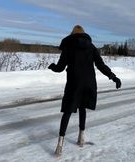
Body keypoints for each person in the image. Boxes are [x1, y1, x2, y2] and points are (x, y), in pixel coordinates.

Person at [48, 25, 121, 156]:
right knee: (82, 108)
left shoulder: (68, 46)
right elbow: (100, 65)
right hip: (89, 83)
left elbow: (60, 68)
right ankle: (81, 138)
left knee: (68, 111)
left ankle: (60, 144)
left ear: (72, 34)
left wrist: (52, 67)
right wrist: (113, 77)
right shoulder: (91, 47)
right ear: (84, 34)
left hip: (74, 83)